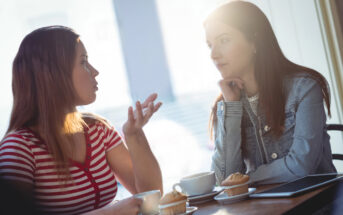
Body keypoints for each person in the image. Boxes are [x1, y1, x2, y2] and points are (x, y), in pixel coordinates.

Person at [0, 25, 163, 215]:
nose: (95, 71)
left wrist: (134, 135)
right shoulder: (18, 148)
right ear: (53, 75)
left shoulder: (98, 130)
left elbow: (152, 196)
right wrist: (108, 213)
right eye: (84, 62)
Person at [205, 1, 337, 185]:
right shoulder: (226, 104)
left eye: (224, 40)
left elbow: (301, 166)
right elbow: (223, 178)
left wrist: (245, 181)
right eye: (210, 45)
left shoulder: (304, 88)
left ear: (254, 42)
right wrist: (232, 107)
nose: (213, 54)